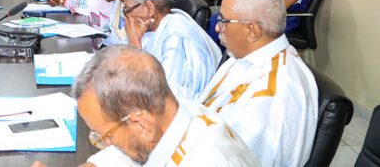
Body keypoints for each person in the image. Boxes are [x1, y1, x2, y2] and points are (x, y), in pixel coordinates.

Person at [31, 45, 258, 167]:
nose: (105, 144)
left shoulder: (208, 160)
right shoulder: (172, 112)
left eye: (104, 136)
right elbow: (125, 155)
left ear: (141, 124)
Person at [200, 0, 318, 167]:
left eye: (223, 21)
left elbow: (240, 160)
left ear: (252, 30)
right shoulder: (245, 57)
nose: (217, 28)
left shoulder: (276, 91)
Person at [122, 0, 221, 101]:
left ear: (150, 8)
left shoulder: (175, 38)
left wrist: (135, 45)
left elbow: (160, 95)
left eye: (127, 9)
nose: (126, 16)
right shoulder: (150, 27)